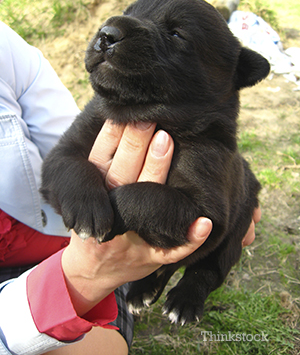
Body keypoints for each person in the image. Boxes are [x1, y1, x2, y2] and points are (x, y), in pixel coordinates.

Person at [0, 21, 260, 355]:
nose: (110, 30)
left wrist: (98, 205)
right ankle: (142, 281)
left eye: (176, 35)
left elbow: (63, 155)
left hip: (59, 252)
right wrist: (84, 269)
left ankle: (192, 285)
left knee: (217, 247)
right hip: (62, 272)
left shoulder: (8, 49)